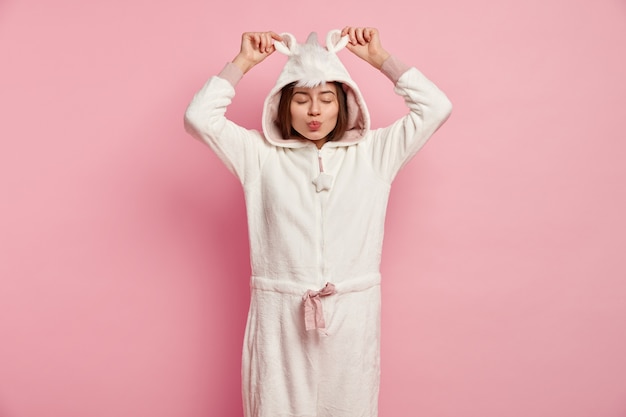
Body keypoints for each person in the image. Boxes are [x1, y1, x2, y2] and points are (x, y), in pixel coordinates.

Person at [184, 26, 452, 417]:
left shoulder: (375, 152)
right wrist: (243, 63)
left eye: (326, 99)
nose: (314, 111)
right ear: (282, 105)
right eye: (302, 100)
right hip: (279, 318)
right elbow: (198, 117)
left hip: (351, 315)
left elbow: (436, 107)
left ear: (343, 103)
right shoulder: (258, 155)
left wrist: (380, 60)